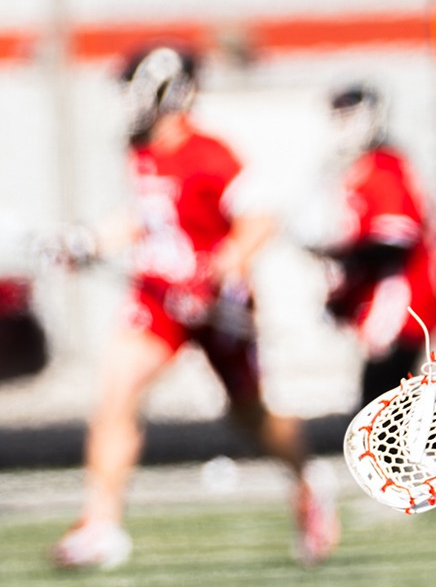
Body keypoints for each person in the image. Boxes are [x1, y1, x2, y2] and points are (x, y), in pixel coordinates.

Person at [51, 46, 337, 570]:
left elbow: (259, 222)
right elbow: (144, 217)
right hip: (158, 298)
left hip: (214, 305)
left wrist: (216, 272)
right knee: (117, 390)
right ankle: (101, 525)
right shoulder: (142, 151)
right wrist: (89, 241)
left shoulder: (211, 155)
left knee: (248, 414)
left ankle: (308, 482)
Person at [312, 84, 436, 407]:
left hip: (401, 306)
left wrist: (343, 254)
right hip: (384, 306)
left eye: (350, 117)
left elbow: (394, 241)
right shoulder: (356, 170)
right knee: (396, 408)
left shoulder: (384, 168)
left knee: (380, 410)